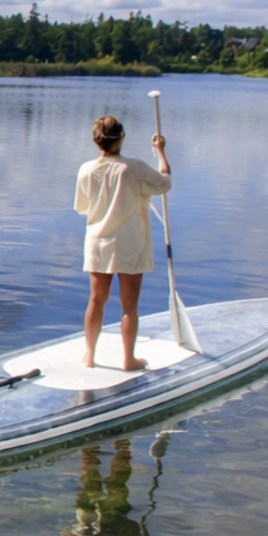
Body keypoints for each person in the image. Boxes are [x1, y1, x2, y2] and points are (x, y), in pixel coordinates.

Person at [74, 115, 171, 369]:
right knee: (129, 305)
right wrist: (160, 152)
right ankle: (128, 359)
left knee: (96, 299)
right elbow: (165, 184)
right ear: (122, 138)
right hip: (130, 242)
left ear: (97, 141)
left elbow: (82, 207)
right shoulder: (134, 167)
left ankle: (90, 357)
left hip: (98, 241)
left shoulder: (86, 169)